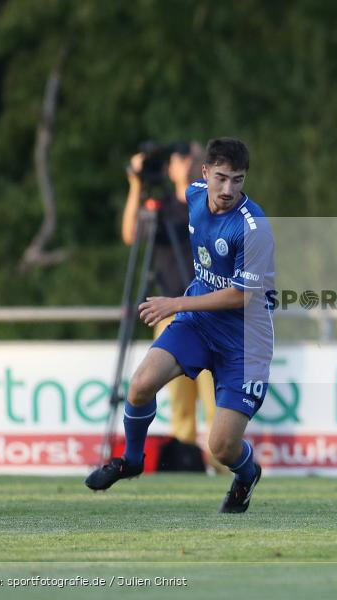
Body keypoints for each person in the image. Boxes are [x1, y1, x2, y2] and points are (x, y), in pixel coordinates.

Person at [87, 138, 275, 514]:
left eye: (237, 180)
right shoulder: (192, 195)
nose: (228, 190)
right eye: (221, 178)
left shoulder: (253, 227)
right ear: (204, 173)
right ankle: (133, 459)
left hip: (243, 342)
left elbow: (241, 296)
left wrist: (175, 303)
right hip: (199, 325)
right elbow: (134, 232)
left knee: (220, 447)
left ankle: (247, 472)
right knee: (140, 386)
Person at [121, 142, 219, 469]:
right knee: (179, 402)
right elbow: (131, 234)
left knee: (217, 399)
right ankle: (186, 462)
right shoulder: (161, 209)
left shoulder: (209, 205)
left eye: (193, 156)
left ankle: (224, 463)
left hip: (210, 312)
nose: (190, 161)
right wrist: (135, 184)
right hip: (170, 314)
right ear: (172, 168)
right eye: (184, 156)